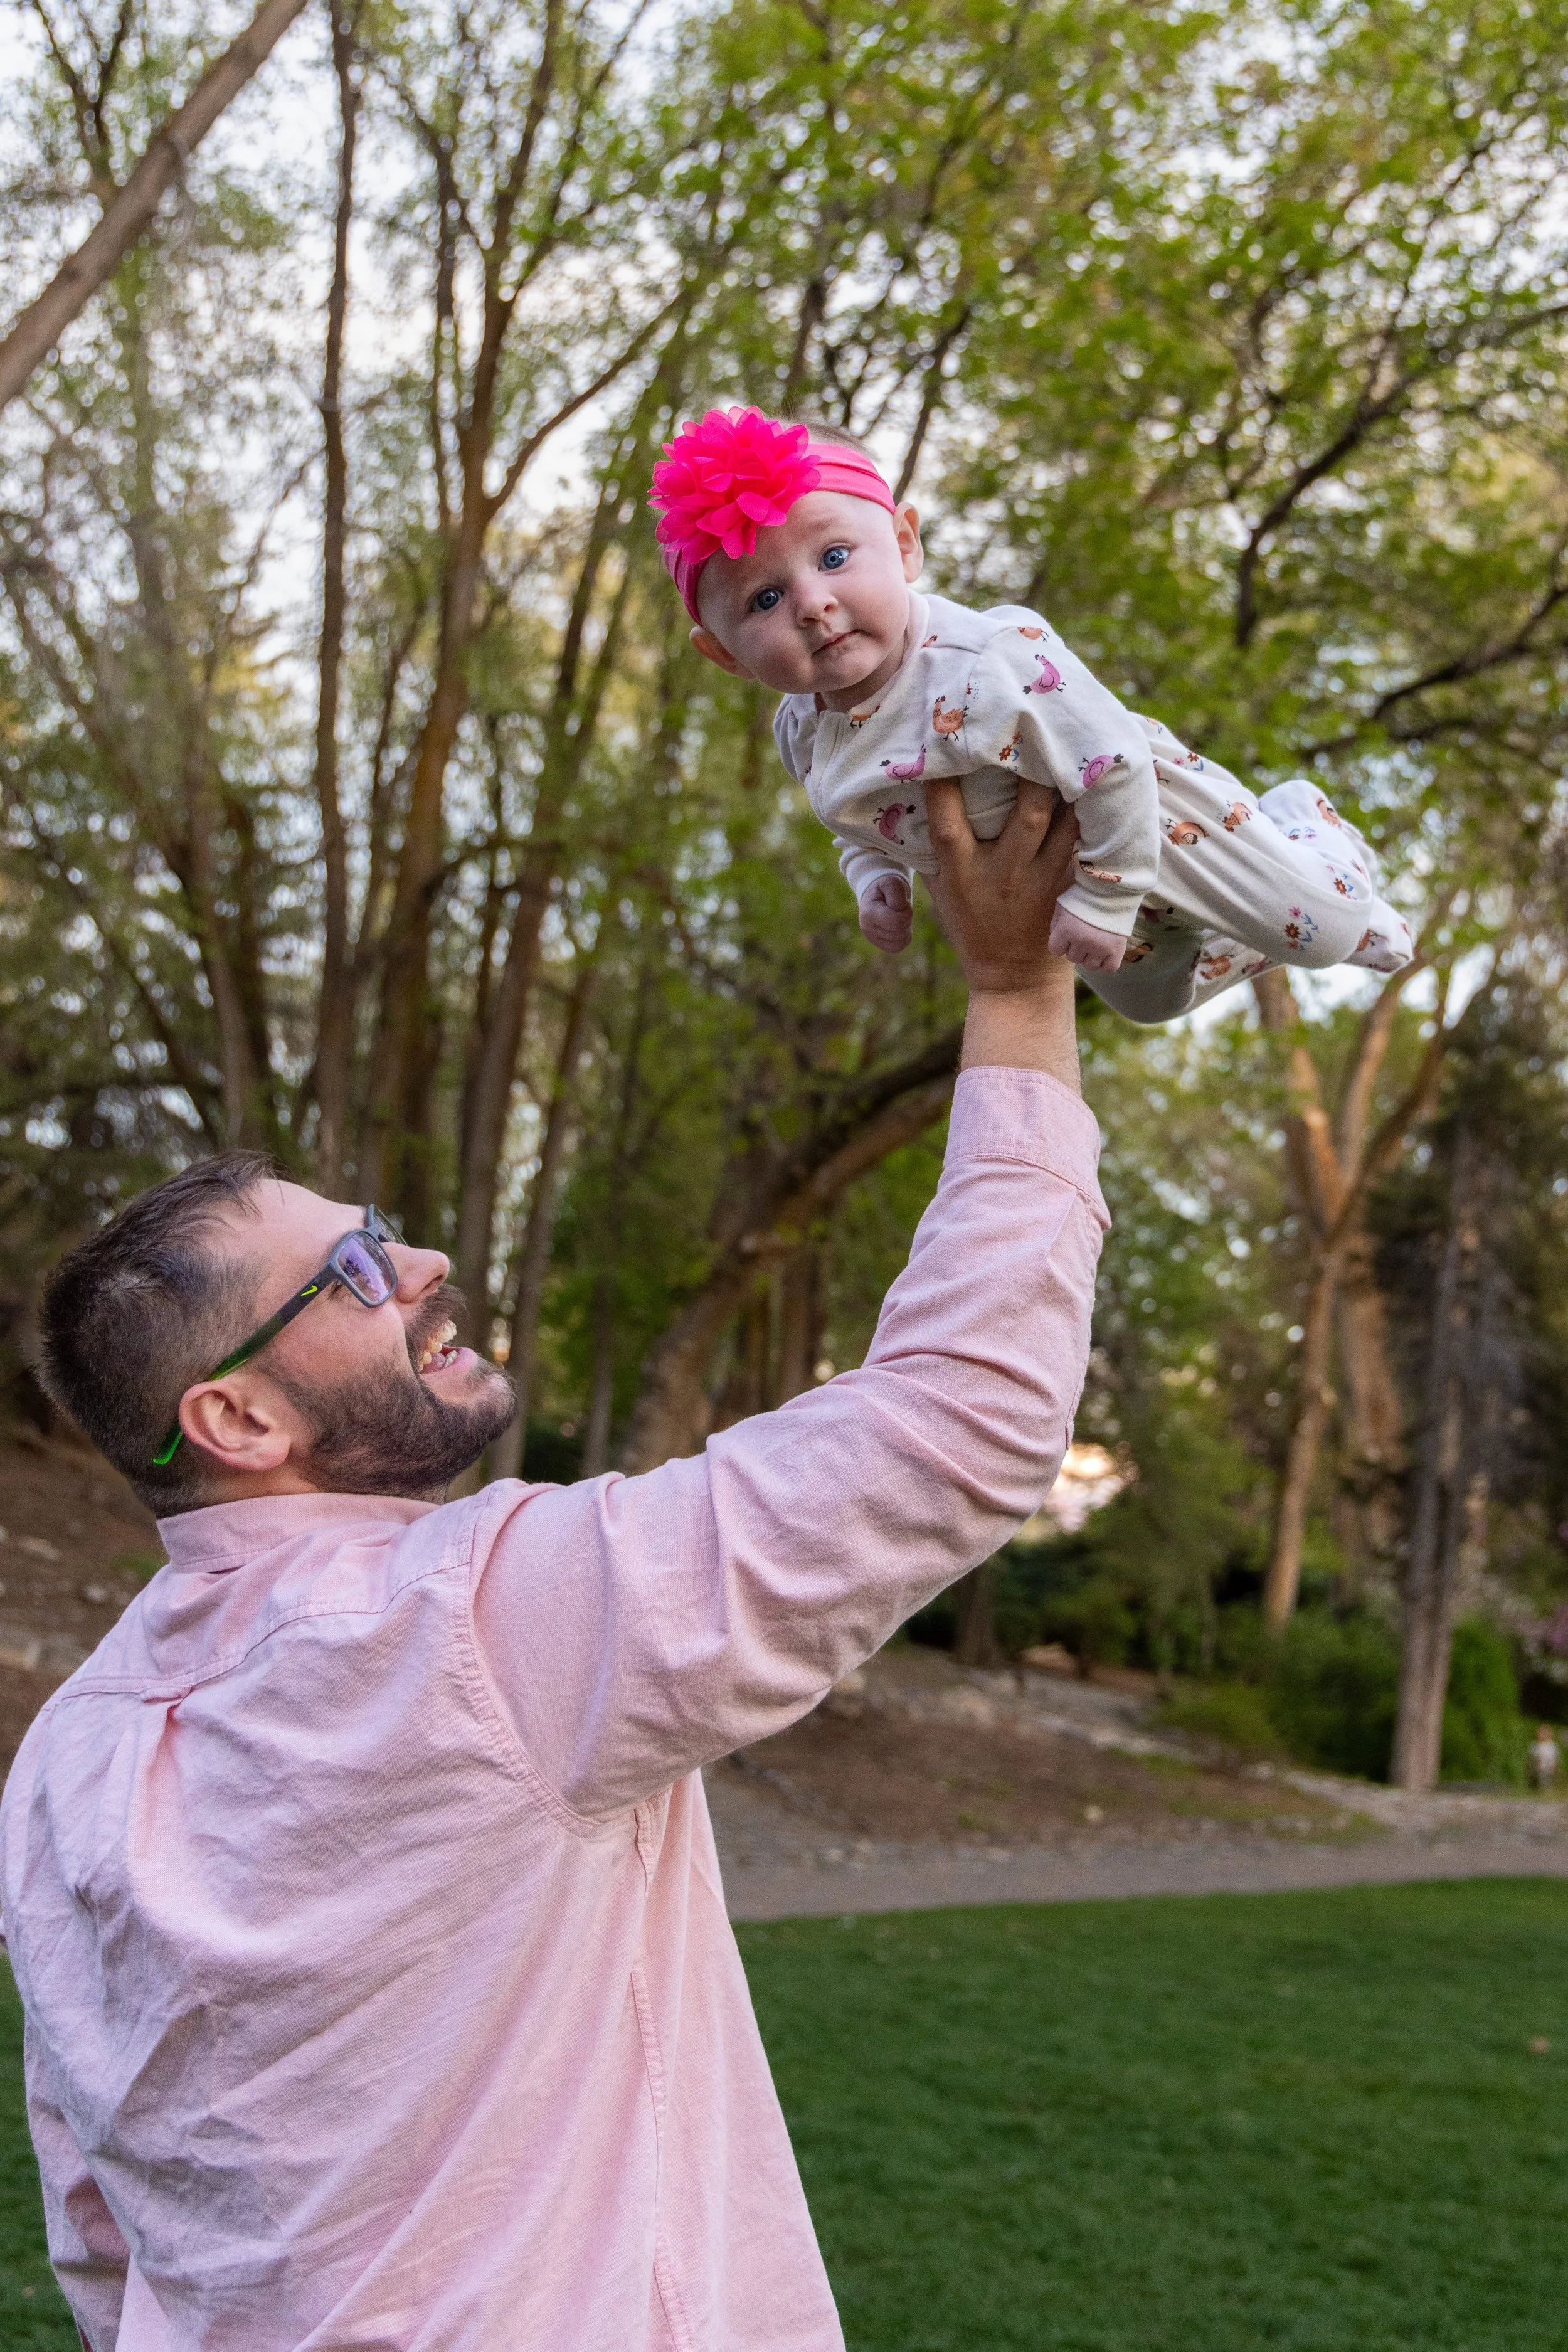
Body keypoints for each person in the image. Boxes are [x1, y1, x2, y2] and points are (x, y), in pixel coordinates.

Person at [1, 780, 1104, 2351]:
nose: (428, 1260)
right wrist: (1013, 992)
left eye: (384, 1225)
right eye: (357, 1270)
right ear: (237, 1411)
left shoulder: (61, 1760)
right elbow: (966, 1420)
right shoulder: (477, 1617)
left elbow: (97, 2206)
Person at [652, 404, 1412, 1021]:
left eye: (834, 557)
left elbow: (1112, 762)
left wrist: (1110, 896)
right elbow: (853, 817)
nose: (814, 604)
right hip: (1060, 882)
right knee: (1153, 1000)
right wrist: (872, 876)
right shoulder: (802, 728)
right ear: (724, 654)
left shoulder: (989, 662)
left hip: (1149, 818)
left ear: (904, 545)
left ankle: (1306, 832)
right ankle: (1251, 915)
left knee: (1323, 934)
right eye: (764, 599)